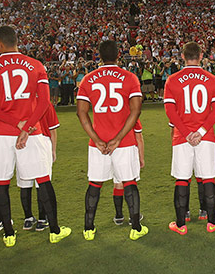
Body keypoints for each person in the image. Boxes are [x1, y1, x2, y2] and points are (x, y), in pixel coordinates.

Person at [0, 25, 70, 246]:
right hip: (33, 132)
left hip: (2, 133)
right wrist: (27, 127)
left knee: (1, 182)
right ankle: (54, 230)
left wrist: (14, 123)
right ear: (16, 41)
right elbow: (44, 102)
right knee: (43, 180)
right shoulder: (36, 65)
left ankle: (9, 234)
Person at [76, 39, 148, 241]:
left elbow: (81, 113)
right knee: (129, 182)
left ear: (99, 56)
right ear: (118, 55)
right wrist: (118, 138)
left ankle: (88, 228)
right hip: (123, 142)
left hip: (98, 143)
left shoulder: (88, 79)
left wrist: (97, 140)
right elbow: (136, 110)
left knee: (95, 185)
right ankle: (135, 227)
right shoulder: (129, 77)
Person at [164, 41, 215, 235]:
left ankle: (181, 224)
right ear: (200, 56)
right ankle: (212, 221)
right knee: (207, 178)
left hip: (182, 138)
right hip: (205, 137)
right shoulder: (212, 79)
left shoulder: (172, 79)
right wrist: (202, 131)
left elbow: (170, 111)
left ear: (182, 56)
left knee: (182, 179)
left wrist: (186, 132)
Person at [19, 102, 60, 232]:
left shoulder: (20, 100)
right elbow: (52, 129)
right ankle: (42, 219)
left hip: (21, 142)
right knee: (42, 182)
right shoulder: (44, 102)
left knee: (25, 182)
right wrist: (53, 150)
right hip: (41, 142)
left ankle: (28, 218)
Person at [112, 120, 145, 225]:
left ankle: (119, 216)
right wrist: (141, 157)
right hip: (128, 149)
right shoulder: (132, 115)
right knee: (130, 182)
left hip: (113, 150)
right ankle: (133, 217)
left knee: (118, 182)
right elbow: (139, 138)